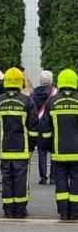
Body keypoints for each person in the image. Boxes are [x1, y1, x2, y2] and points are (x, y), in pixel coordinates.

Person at [0, 67, 39, 219]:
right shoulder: (27, 101)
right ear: (20, 82)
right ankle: (20, 210)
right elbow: (33, 128)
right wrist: (31, 148)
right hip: (22, 149)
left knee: (7, 179)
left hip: (4, 149)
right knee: (20, 180)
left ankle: (8, 209)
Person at [41, 69, 78, 221]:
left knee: (61, 180)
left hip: (59, 150)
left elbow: (45, 128)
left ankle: (63, 212)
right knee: (76, 179)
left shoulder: (52, 101)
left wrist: (50, 146)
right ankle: (75, 212)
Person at [31, 71, 58, 185]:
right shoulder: (56, 93)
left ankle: (43, 178)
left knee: (41, 152)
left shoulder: (33, 94)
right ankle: (53, 177)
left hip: (40, 128)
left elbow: (32, 113)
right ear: (51, 80)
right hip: (53, 126)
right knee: (53, 152)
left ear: (40, 81)